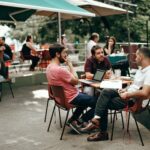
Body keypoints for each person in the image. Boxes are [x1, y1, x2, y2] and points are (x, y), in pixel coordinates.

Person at [81, 47, 150, 142]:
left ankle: (101, 131)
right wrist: (124, 90)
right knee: (105, 91)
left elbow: (145, 93)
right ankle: (96, 118)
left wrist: (128, 94)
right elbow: (135, 86)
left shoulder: (149, 72)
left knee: (103, 100)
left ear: (141, 57)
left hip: (132, 100)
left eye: (136, 56)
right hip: (126, 93)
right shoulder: (141, 70)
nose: (135, 58)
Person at [46, 44, 98, 133]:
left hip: (62, 99)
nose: (66, 55)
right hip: (71, 97)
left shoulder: (49, 68)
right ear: (57, 54)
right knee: (99, 102)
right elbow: (76, 81)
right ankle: (79, 121)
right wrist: (70, 65)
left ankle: (72, 120)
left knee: (86, 97)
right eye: (64, 52)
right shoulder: (60, 70)